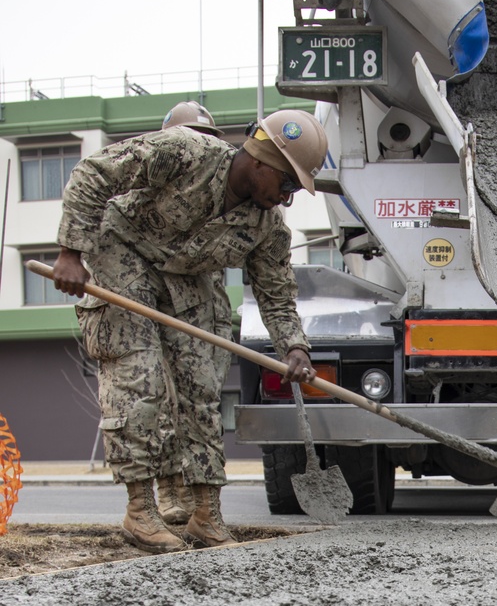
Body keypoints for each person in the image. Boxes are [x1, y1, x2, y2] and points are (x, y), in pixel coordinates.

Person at [52, 109, 327, 552]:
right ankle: (140, 511)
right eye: (288, 183)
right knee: (139, 378)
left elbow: (276, 294)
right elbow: (93, 173)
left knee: (200, 388)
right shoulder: (185, 152)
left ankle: (205, 514)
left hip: (186, 276)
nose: (287, 197)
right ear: (261, 160)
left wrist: (294, 347)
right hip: (123, 252)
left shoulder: (267, 228)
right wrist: (70, 252)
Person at [155, 102, 228, 527]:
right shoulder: (156, 191)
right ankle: (170, 488)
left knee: (204, 402)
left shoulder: (218, 193)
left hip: (212, 310)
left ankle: (198, 489)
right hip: (166, 306)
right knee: (165, 401)